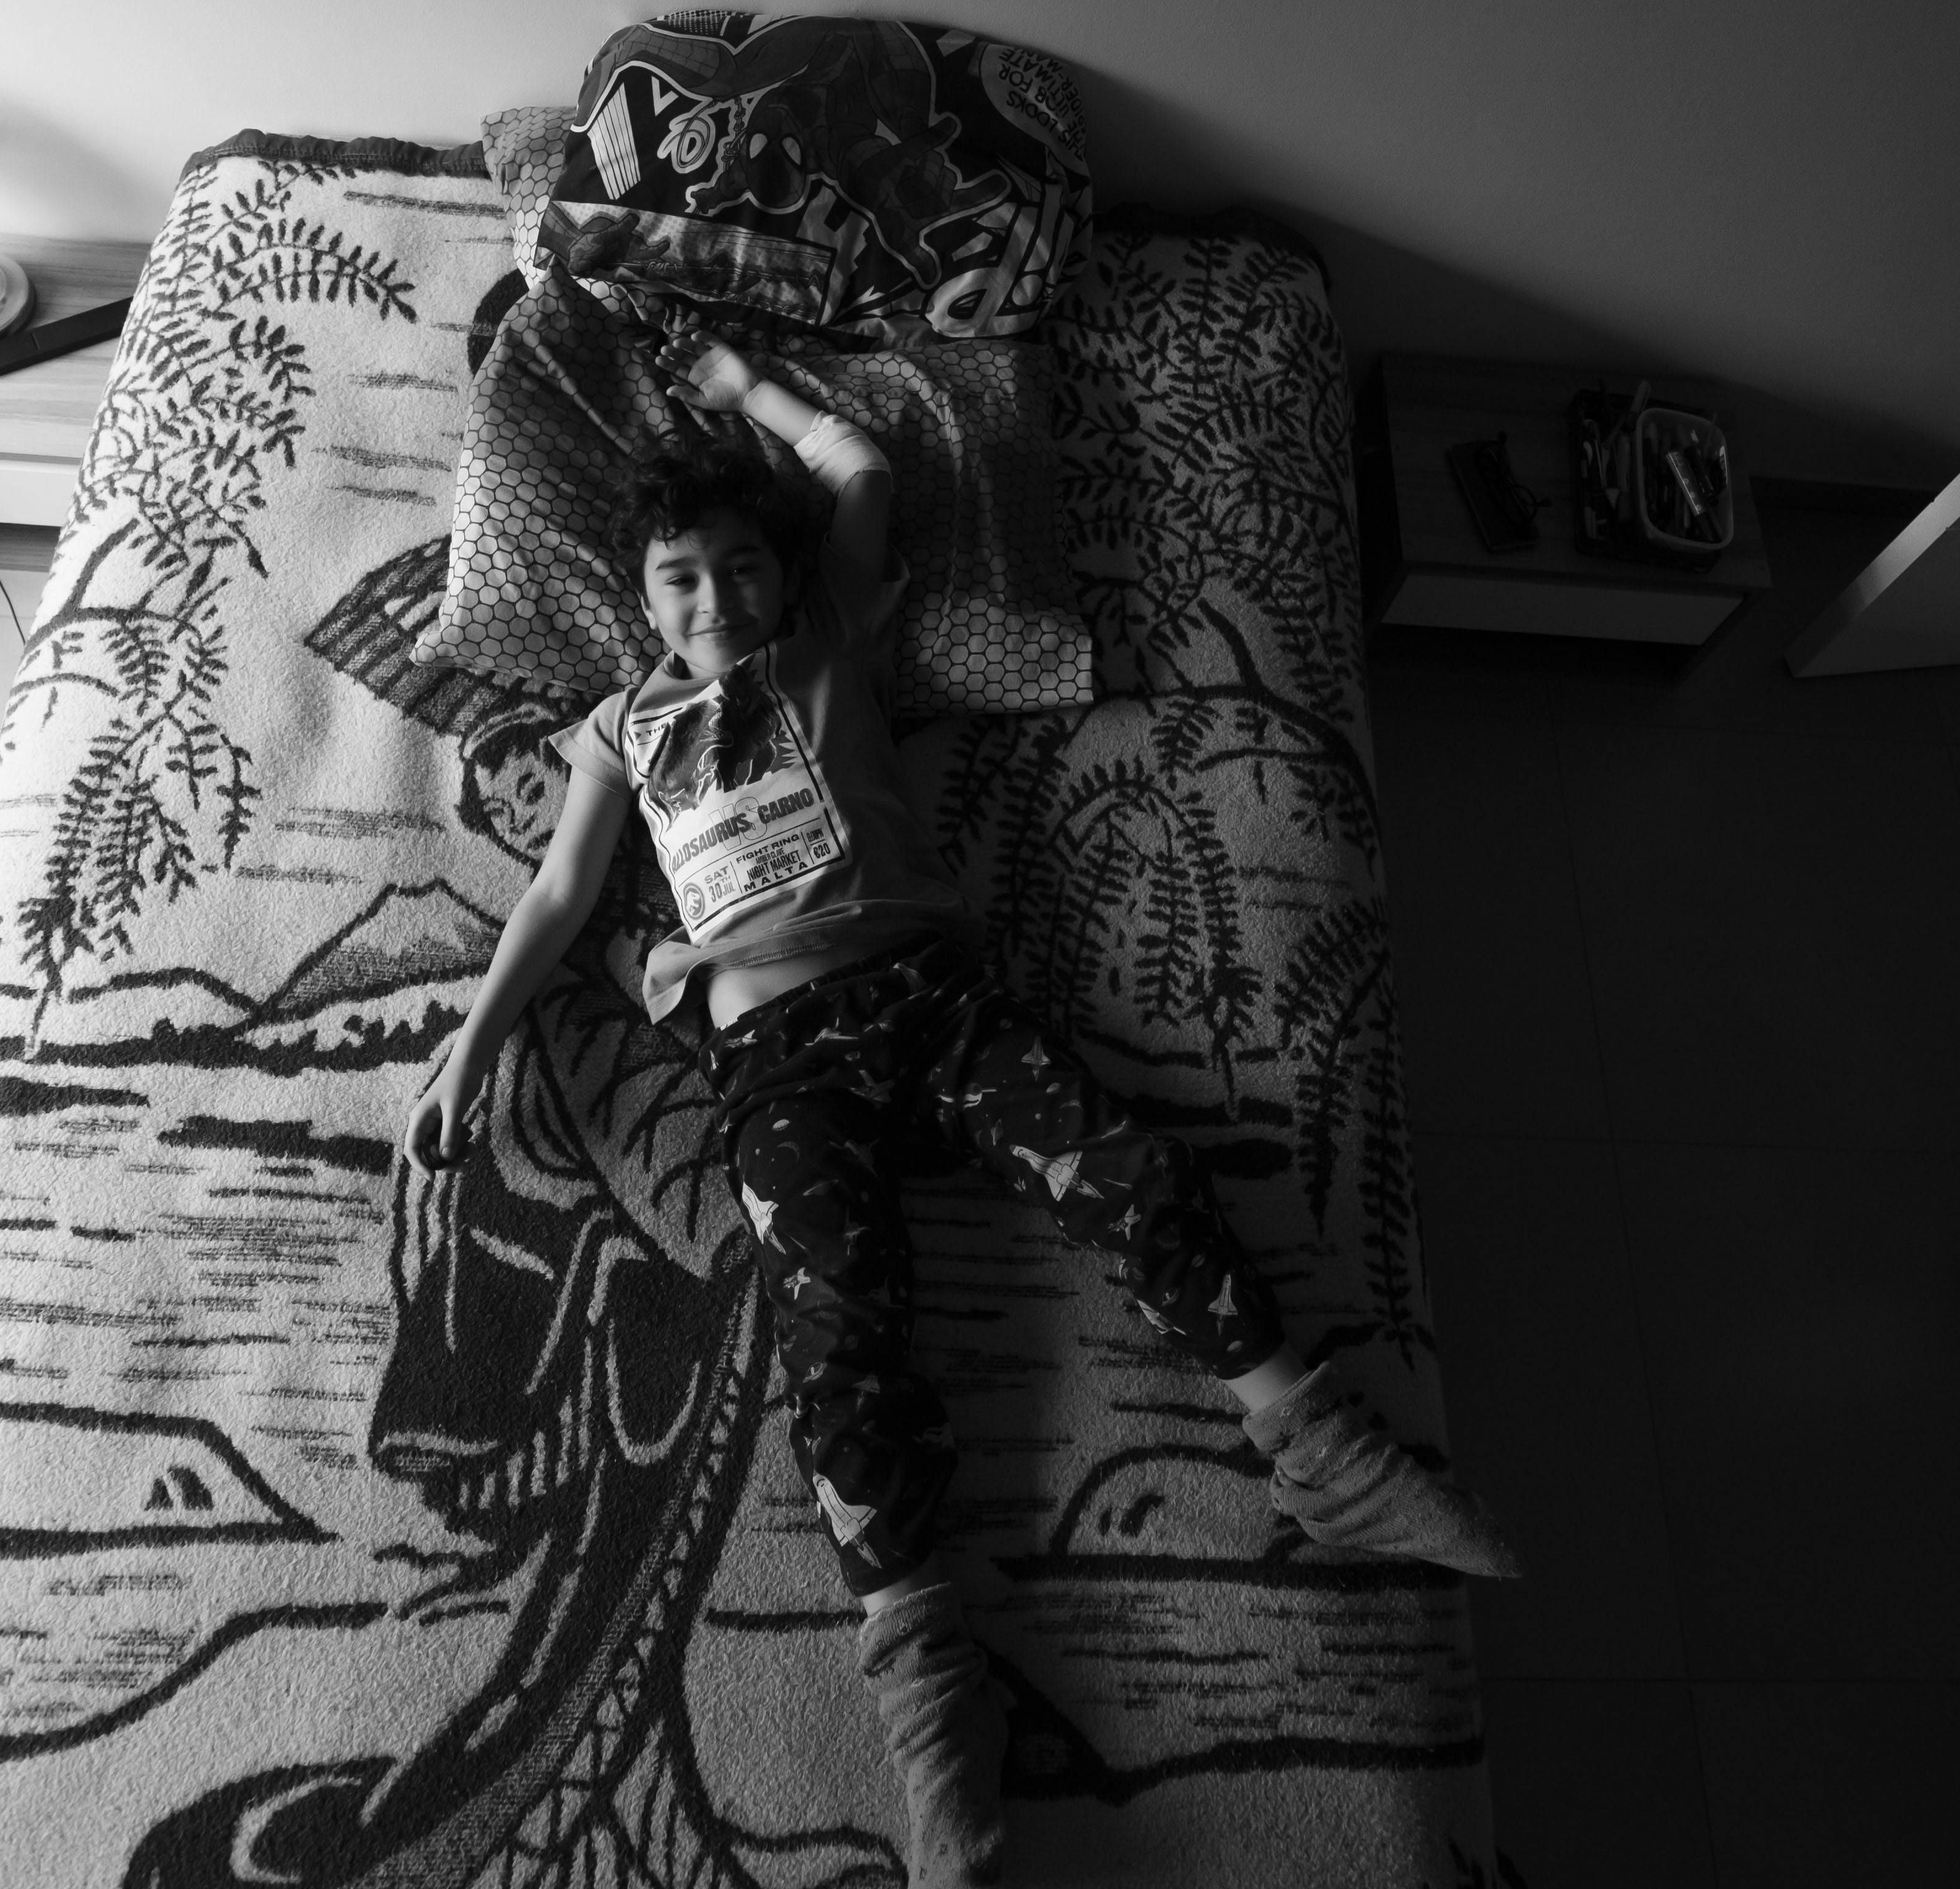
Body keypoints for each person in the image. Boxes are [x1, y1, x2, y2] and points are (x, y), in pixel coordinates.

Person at [402, 341, 1514, 1888]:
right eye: (679, 578)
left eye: (741, 569)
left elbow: (857, 465)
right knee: (837, 1335)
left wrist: (743, 386)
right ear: (639, 597)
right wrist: (471, 1050)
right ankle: (932, 1699)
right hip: (772, 1054)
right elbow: (559, 895)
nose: (715, 599)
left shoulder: (825, 636)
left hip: (929, 998)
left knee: (1126, 1171)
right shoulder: (618, 731)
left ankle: (1318, 1445)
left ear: (785, 579)